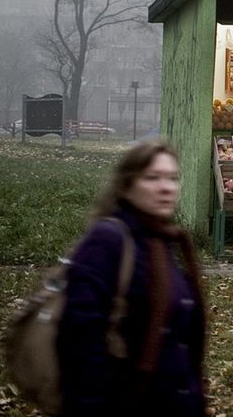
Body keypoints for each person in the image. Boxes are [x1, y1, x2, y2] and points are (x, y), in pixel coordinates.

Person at [57, 141, 206, 416]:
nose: (166, 187)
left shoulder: (160, 242)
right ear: (126, 186)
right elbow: (80, 340)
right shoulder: (107, 241)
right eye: (152, 178)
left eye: (172, 178)